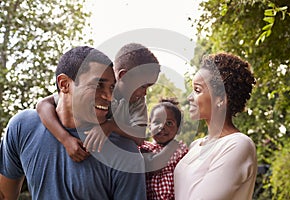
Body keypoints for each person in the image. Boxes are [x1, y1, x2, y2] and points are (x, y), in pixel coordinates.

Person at [0, 46, 147, 199]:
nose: (110, 97)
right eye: (98, 85)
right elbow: (4, 195)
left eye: (112, 87)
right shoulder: (23, 126)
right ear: (64, 84)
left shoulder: (125, 153)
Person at [36, 43, 161, 162]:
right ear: (124, 76)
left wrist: (109, 126)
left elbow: (139, 137)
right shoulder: (93, 88)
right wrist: (65, 139)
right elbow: (42, 105)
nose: (145, 93)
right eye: (143, 86)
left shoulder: (137, 101)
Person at [174, 53, 257, 200]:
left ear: (220, 99)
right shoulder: (195, 146)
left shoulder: (237, 145)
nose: (190, 97)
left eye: (197, 90)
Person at [140, 98, 188, 200]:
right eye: (157, 122)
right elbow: (153, 165)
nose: (162, 126)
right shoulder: (145, 147)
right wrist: (171, 146)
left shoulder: (181, 149)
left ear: (178, 129)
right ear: (150, 126)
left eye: (169, 123)